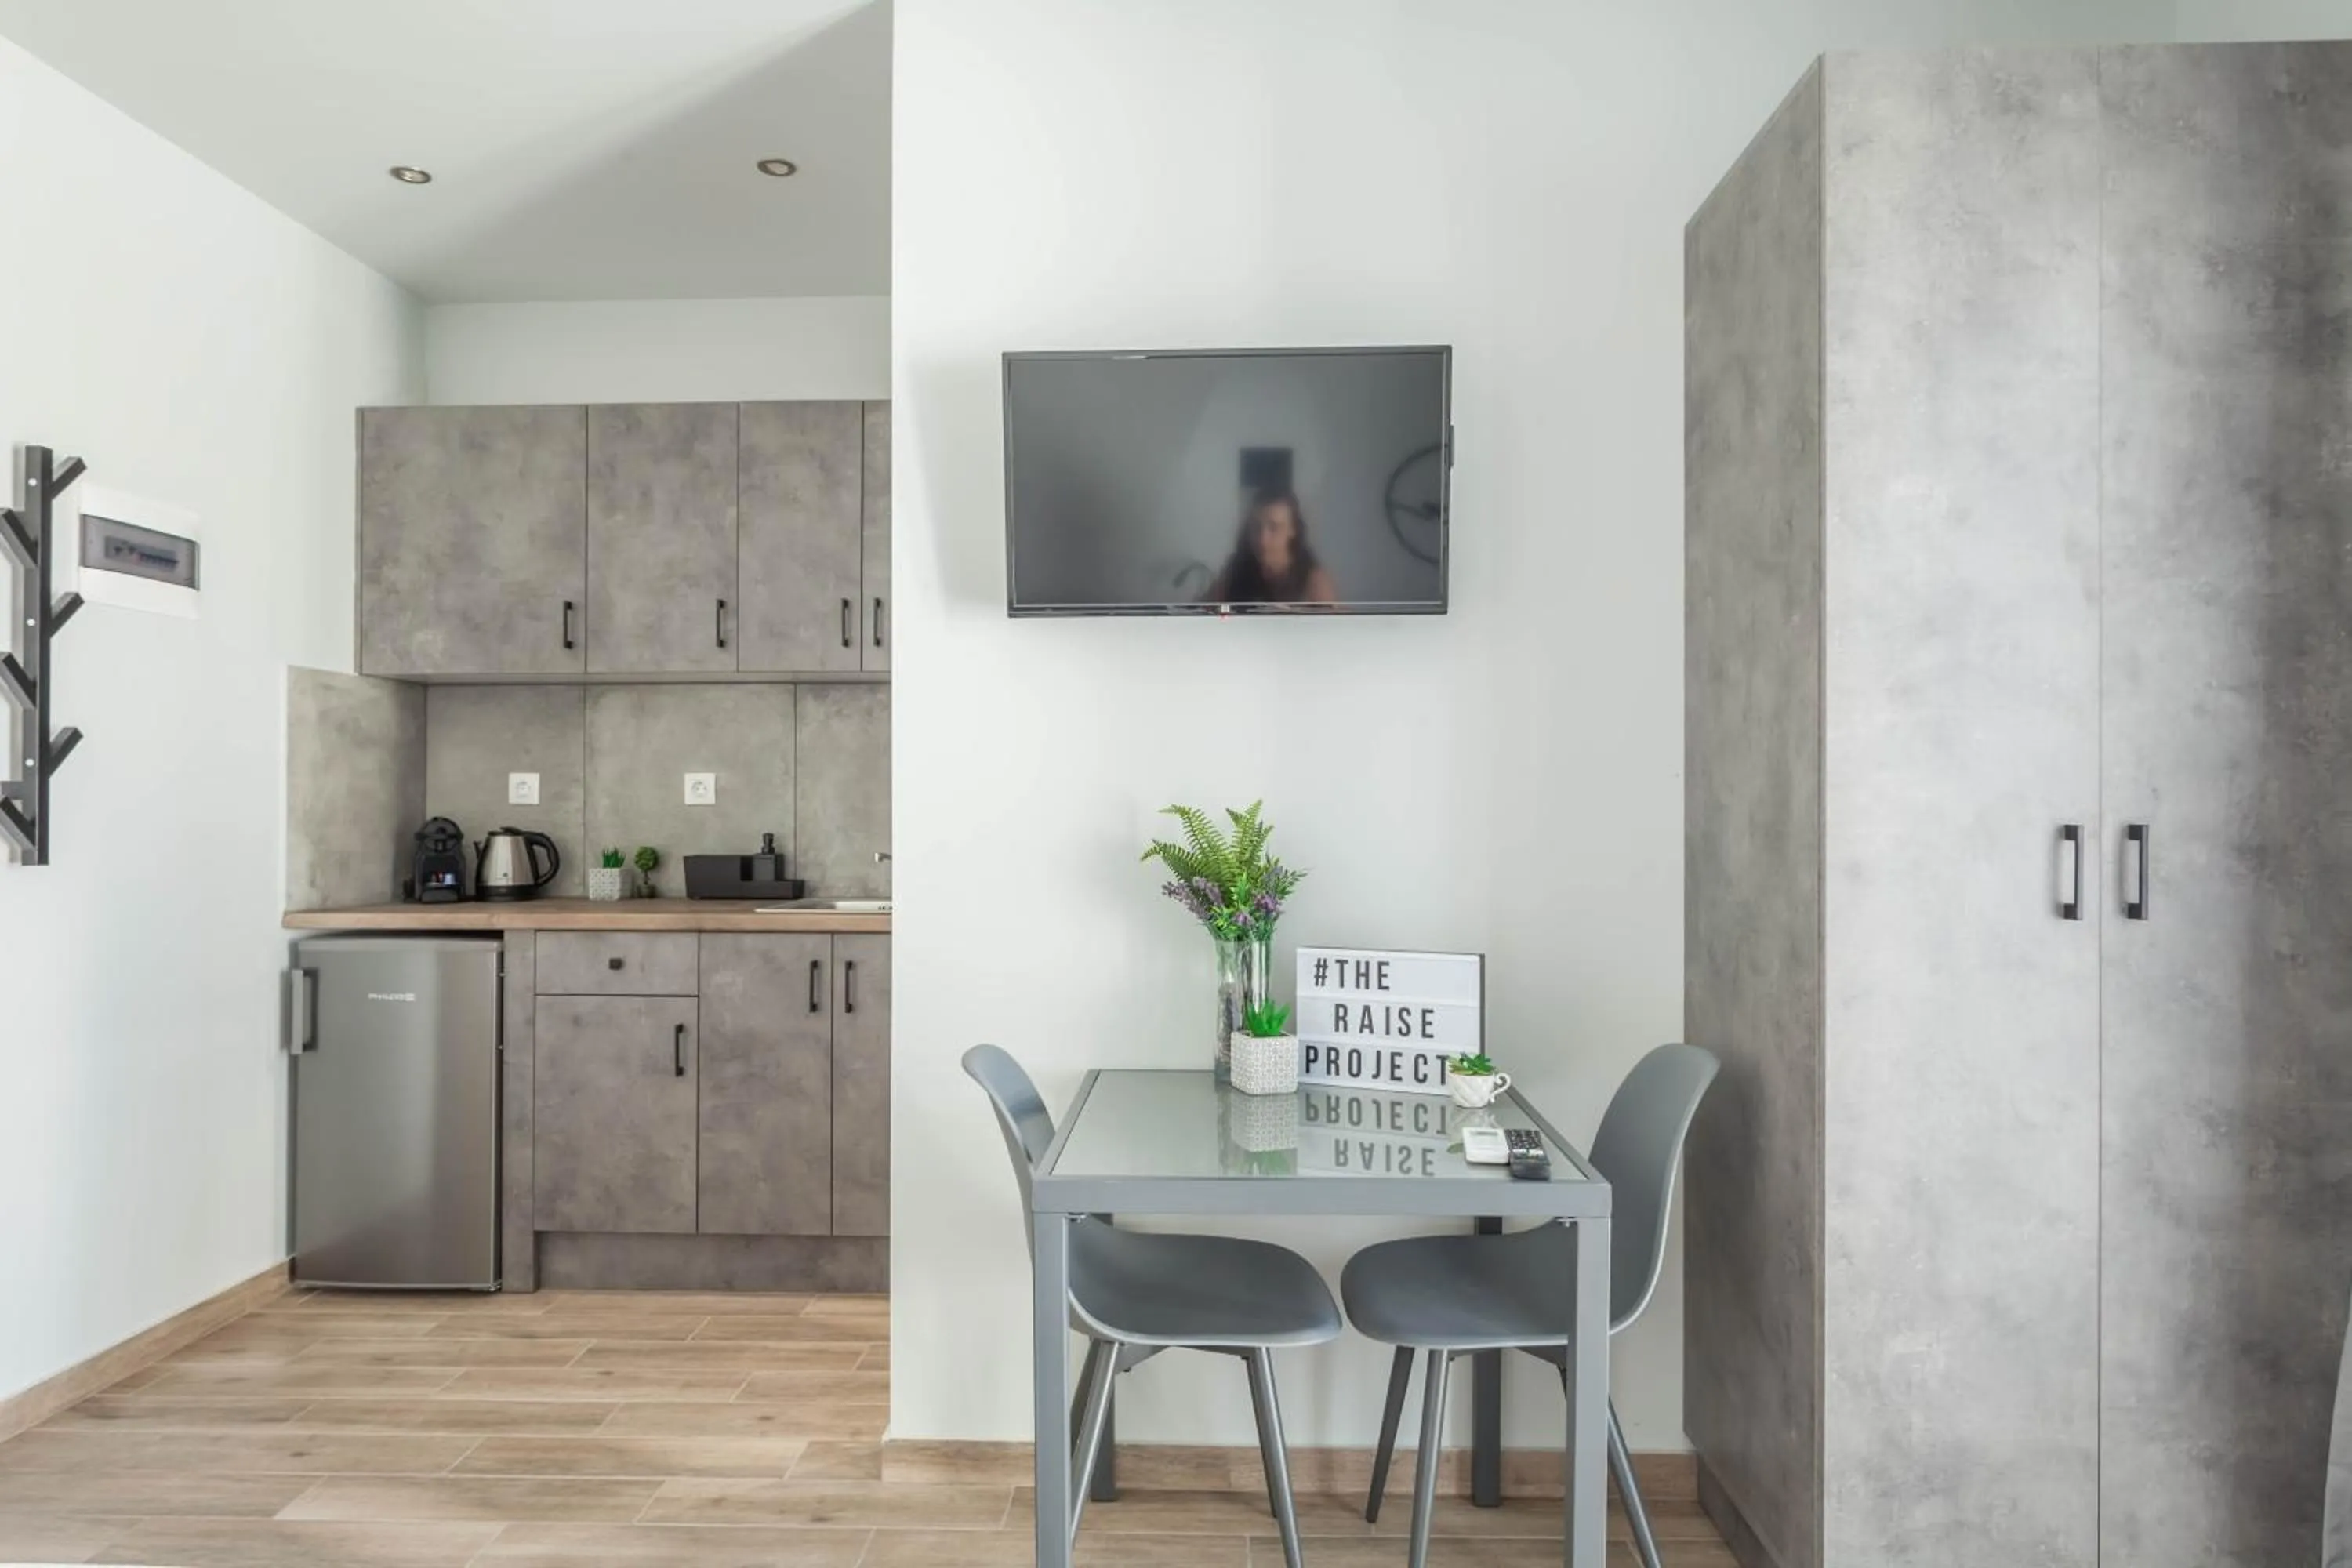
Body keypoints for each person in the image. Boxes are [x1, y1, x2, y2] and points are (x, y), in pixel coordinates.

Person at [1204, 489, 1338, 605]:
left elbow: (1337, 629)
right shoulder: (1236, 570)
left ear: (1293, 530)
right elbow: (1201, 612)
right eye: (1256, 527)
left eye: (1274, 528)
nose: (1263, 539)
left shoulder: (1313, 581)